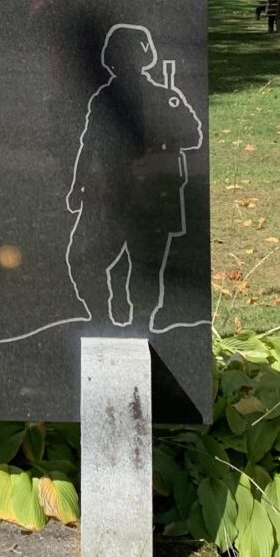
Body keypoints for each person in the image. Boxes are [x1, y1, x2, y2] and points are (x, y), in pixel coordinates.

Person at [65, 24, 202, 330]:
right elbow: (89, 145)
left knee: (146, 265)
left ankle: (141, 323)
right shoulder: (103, 99)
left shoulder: (167, 97)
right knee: (86, 259)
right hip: (110, 192)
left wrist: (159, 139)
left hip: (153, 192)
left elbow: (192, 134)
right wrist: (77, 186)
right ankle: (104, 318)